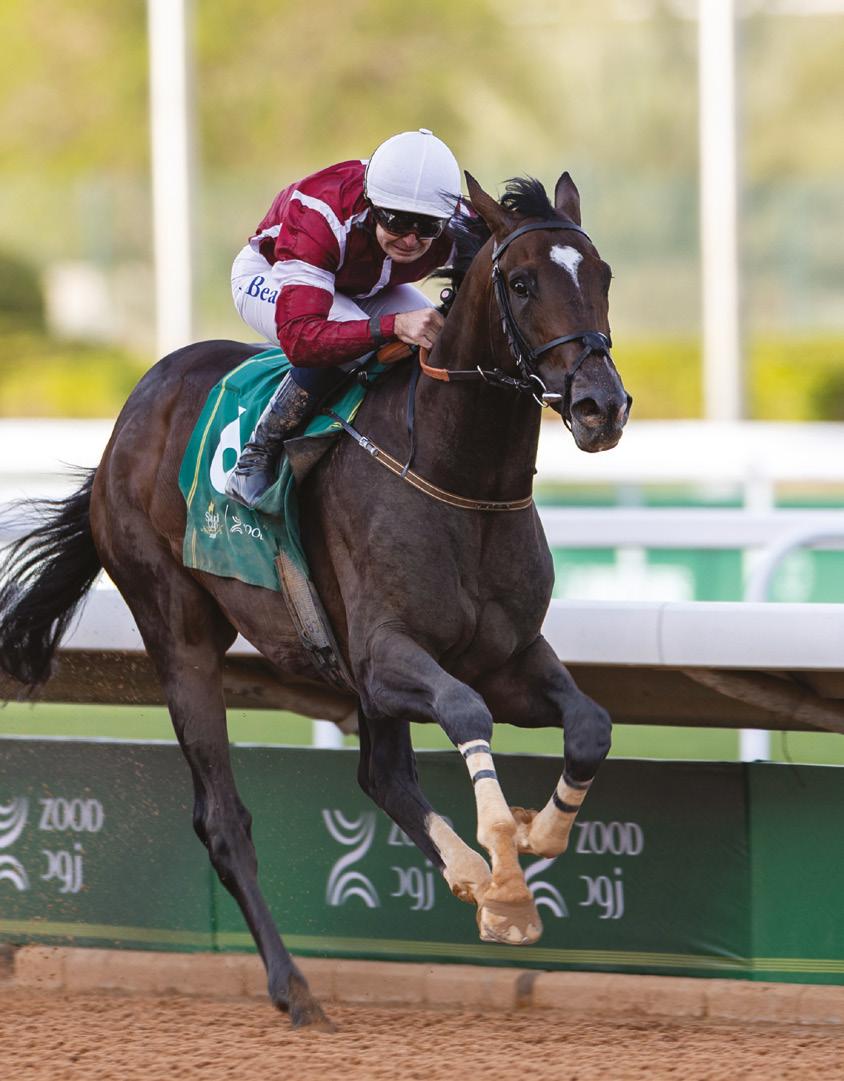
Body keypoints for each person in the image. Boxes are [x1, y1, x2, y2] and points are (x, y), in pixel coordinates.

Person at [226, 128, 461, 508]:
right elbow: (303, 340)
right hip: (272, 275)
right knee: (355, 346)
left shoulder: (458, 221)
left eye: (428, 227)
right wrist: (393, 326)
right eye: (397, 221)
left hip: (366, 284)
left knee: (440, 339)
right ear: (373, 205)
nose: (410, 240)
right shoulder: (321, 213)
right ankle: (255, 457)